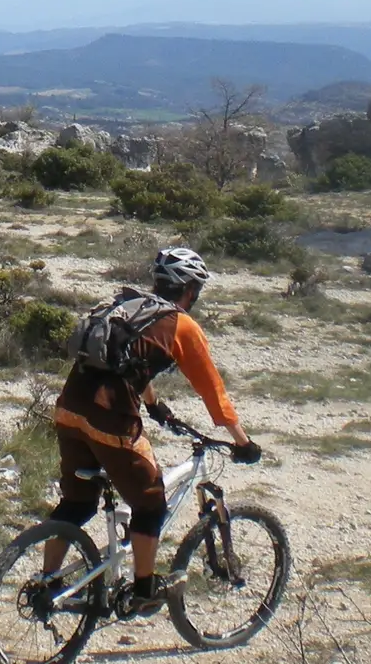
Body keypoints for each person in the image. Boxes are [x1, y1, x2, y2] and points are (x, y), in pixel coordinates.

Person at [41, 245, 261, 618]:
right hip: (110, 420)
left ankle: (48, 582)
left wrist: (155, 405)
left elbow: (128, 364)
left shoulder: (126, 306)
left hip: (68, 409)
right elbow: (213, 392)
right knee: (150, 503)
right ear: (190, 289)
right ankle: (143, 589)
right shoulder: (181, 324)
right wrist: (243, 442)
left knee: (77, 502)